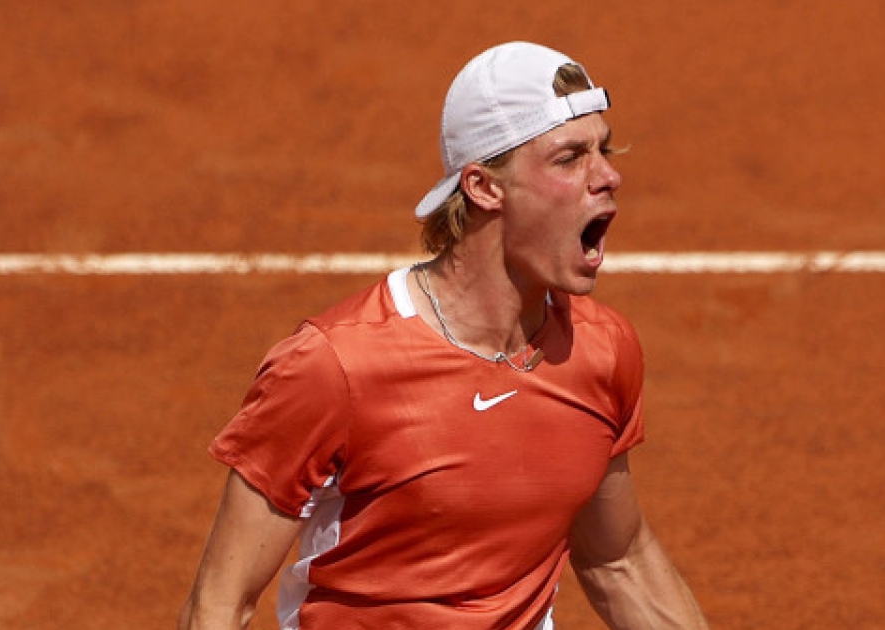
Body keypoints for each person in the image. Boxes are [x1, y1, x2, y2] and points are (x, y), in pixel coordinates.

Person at [178, 41, 709, 630]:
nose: (608, 176)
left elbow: (618, 561)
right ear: (483, 187)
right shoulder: (336, 366)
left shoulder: (599, 351)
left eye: (602, 150)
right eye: (569, 158)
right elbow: (220, 604)